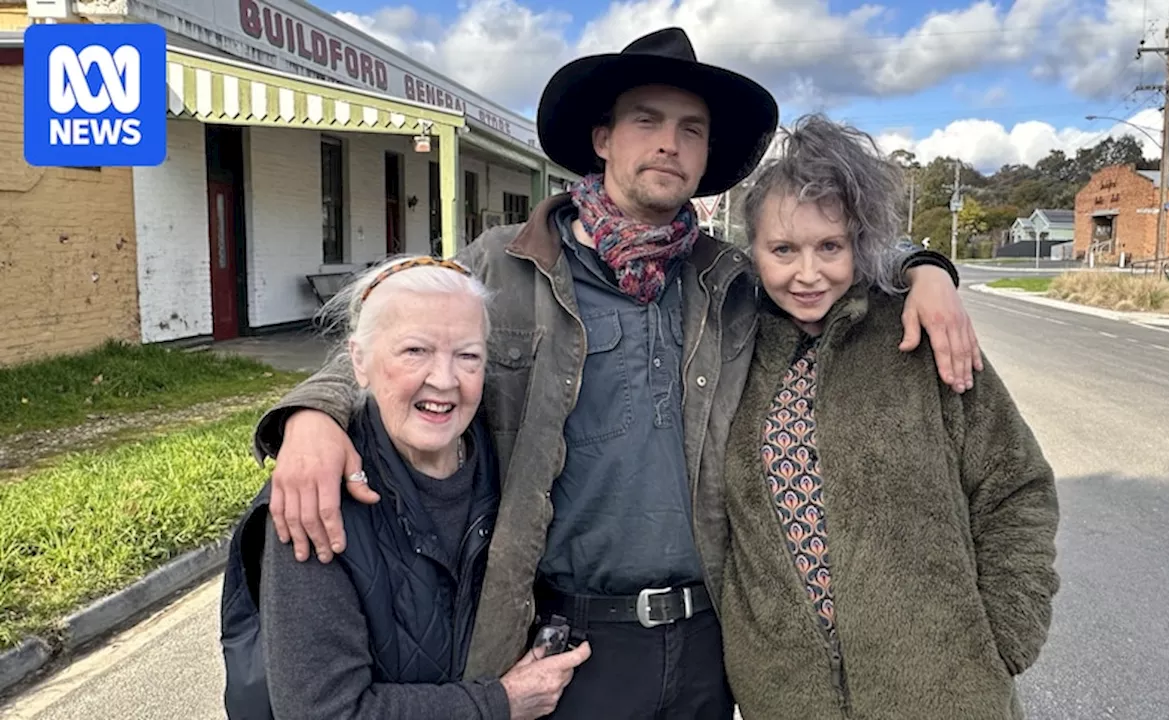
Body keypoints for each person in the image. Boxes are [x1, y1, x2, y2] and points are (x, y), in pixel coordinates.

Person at [249, 28, 986, 718]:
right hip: (570, 637)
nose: (669, 143)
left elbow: (832, 270)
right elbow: (390, 341)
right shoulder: (503, 265)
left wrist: (928, 271)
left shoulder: (732, 284)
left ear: (705, 157)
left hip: (711, 638)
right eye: (646, 120)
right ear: (602, 138)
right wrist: (312, 416)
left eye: (690, 129)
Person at [718, 114, 1060, 719]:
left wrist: (1002, 636)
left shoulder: (920, 334)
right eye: (782, 250)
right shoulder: (728, 350)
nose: (807, 273)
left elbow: (1016, 485)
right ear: (754, 251)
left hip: (948, 692)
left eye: (830, 246)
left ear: (858, 242)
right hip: (788, 699)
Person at [220, 256, 590, 720]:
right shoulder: (314, 502)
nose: (444, 379)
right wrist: (502, 702)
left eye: (468, 356)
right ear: (359, 361)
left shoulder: (506, 468)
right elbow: (326, 711)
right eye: (415, 351)